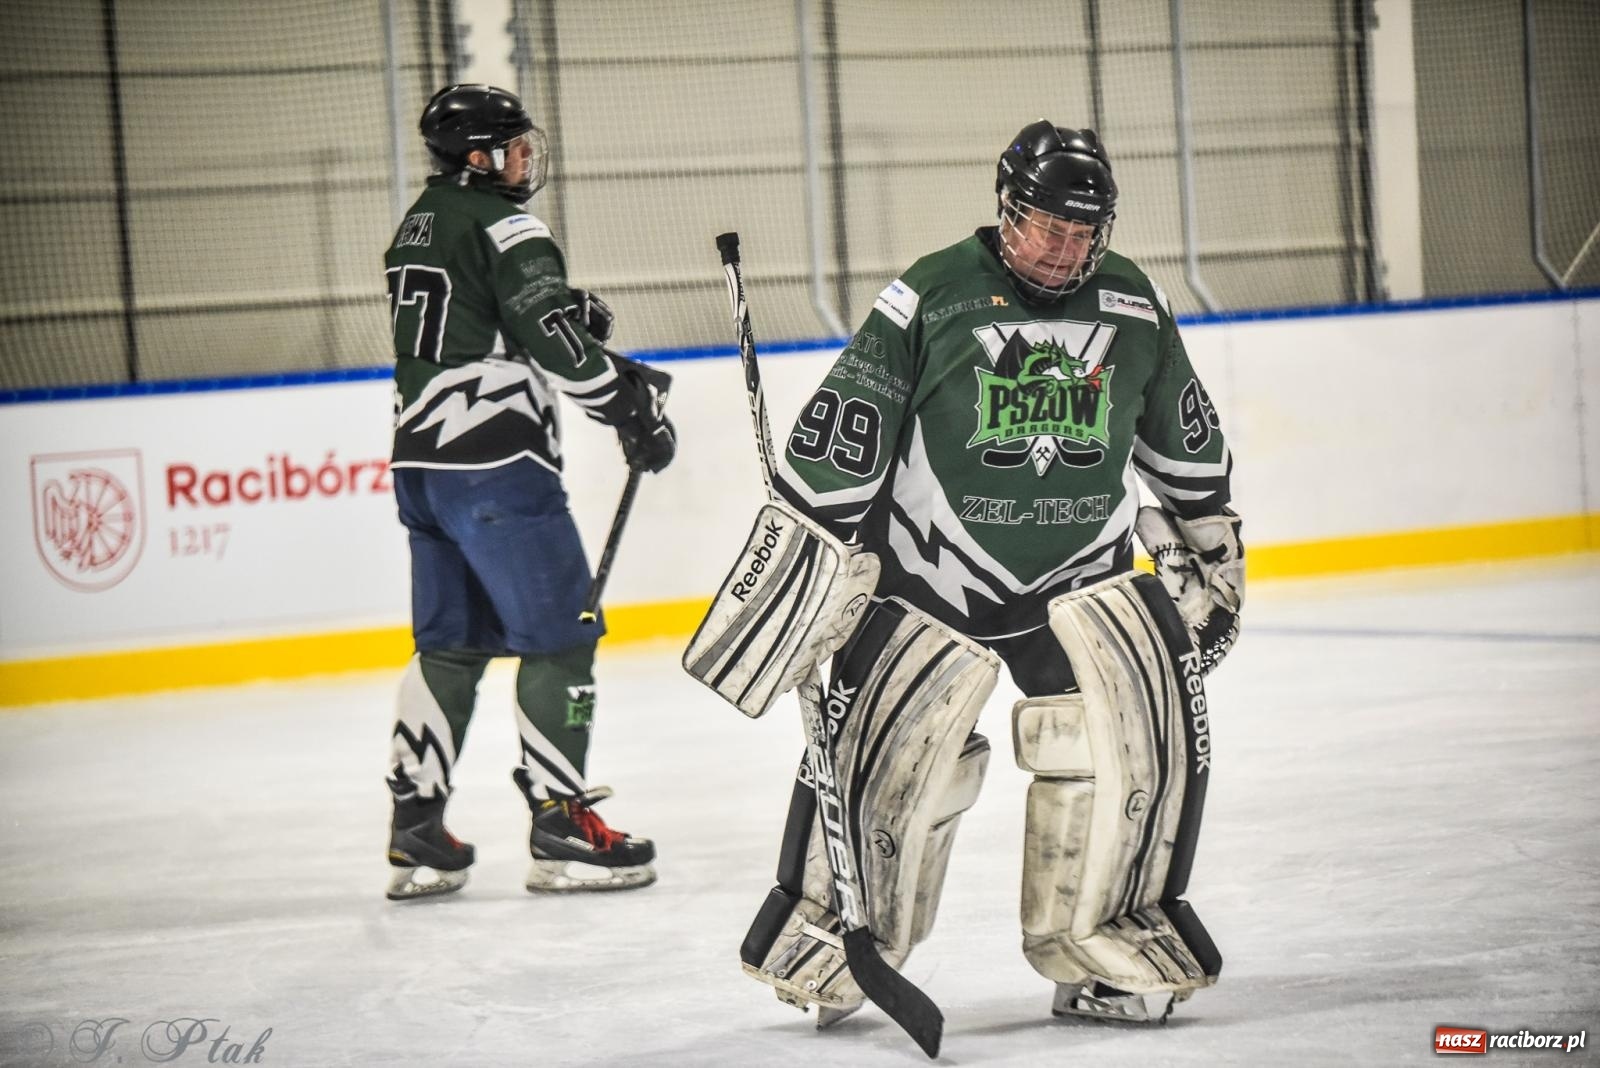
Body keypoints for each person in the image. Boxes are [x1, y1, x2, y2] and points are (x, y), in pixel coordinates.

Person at [704, 121, 1244, 1033]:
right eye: (1046, 227)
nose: (1064, 250)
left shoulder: (1135, 303)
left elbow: (1182, 443)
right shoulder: (935, 291)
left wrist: (1212, 547)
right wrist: (812, 568)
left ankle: (1100, 951)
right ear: (1006, 210)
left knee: (1111, 755)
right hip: (928, 577)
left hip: (1081, 577)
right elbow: (840, 439)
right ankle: (833, 945)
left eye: (1083, 234)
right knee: (902, 764)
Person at [381, 84, 675, 901]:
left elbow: (477, 320)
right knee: (559, 639)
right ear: (477, 157)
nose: (521, 158)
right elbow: (556, 345)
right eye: (509, 146)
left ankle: (416, 832)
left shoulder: (420, 223)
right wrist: (629, 405)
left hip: (421, 464)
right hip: (497, 465)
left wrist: (559, 318)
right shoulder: (509, 223)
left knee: (450, 646)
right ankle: (561, 828)